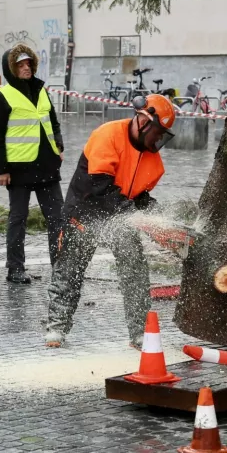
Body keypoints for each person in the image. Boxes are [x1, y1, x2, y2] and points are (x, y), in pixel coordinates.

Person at [45, 94, 176, 349]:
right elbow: (100, 187)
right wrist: (133, 214)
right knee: (69, 272)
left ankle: (140, 333)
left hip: (119, 218)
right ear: (142, 120)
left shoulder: (152, 160)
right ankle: (56, 328)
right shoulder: (107, 135)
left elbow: (139, 196)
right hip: (84, 211)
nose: (156, 140)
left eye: (161, 135)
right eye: (155, 133)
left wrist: (155, 216)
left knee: (135, 270)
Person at [0, 45, 66, 284]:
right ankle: (15, 269)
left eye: (28, 64)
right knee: (18, 220)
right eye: (21, 65)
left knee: (58, 220)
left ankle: (61, 266)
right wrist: (1, 170)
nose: (26, 68)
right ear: (11, 68)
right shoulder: (2, 96)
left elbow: (52, 121)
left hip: (47, 166)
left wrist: (59, 147)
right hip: (19, 168)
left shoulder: (41, 91)